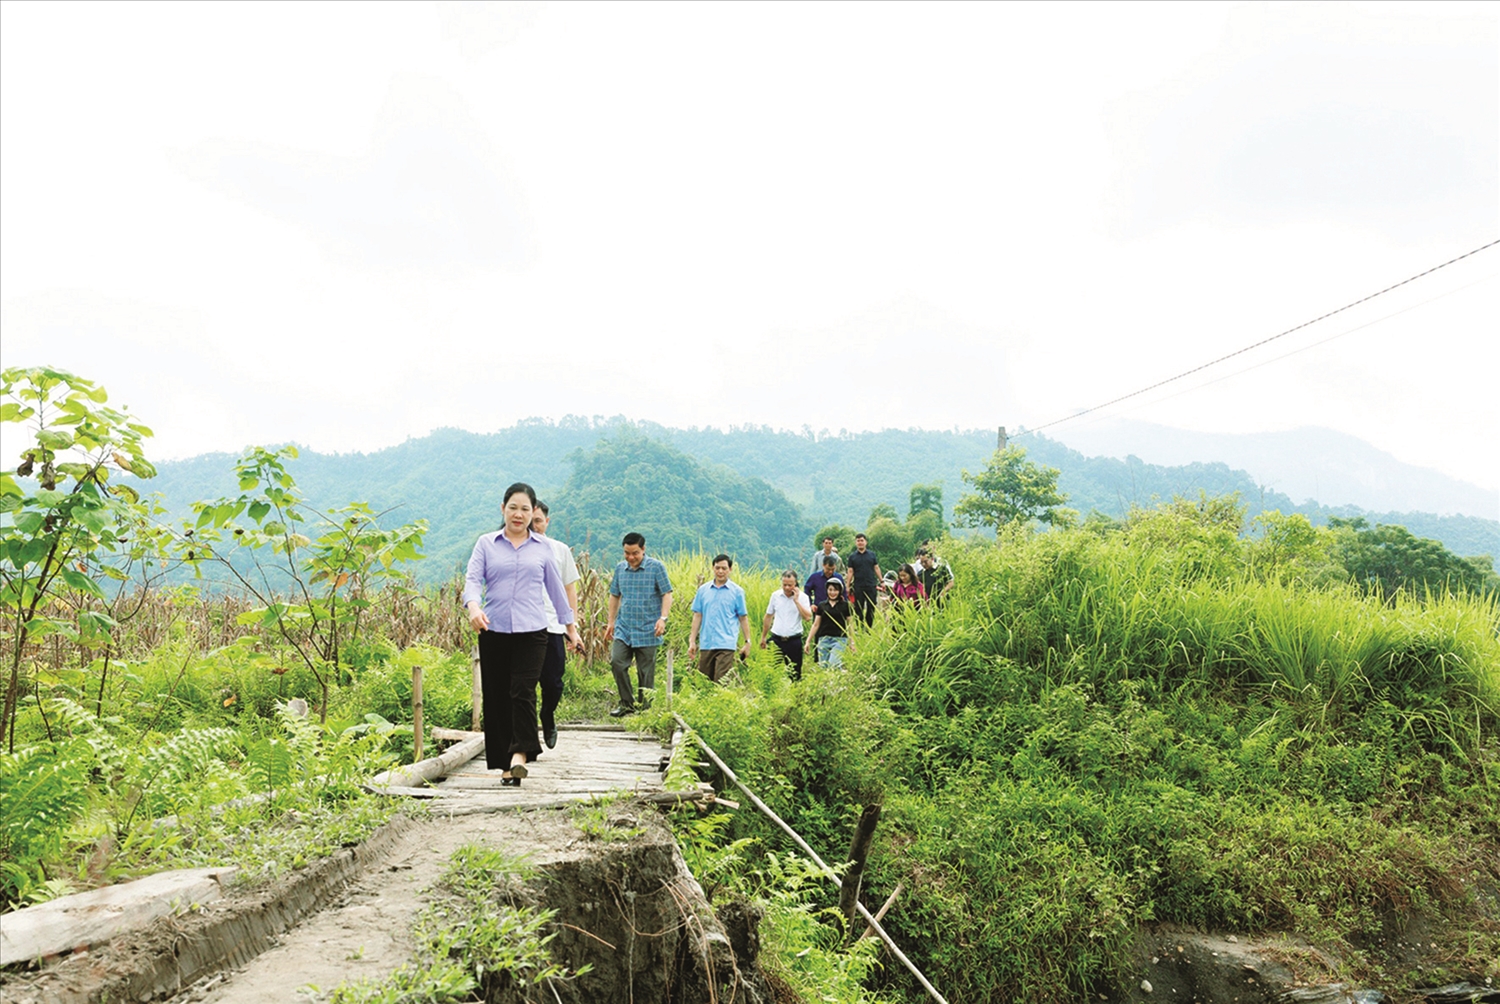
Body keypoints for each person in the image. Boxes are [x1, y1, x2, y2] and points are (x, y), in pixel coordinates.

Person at [463, 483, 580, 786]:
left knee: (523, 691)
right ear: (503, 509)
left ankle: (520, 754)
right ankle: (505, 765)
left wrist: (570, 628)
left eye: (525, 509)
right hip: (493, 629)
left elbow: (557, 591)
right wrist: (474, 607)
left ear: (533, 513)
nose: (519, 514)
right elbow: (473, 580)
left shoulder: (542, 548)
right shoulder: (486, 544)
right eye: (513, 507)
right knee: (498, 695)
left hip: (533, 631)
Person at [530, 502, 581, 751]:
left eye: (538, 521)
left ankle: (548, 714)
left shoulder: (560, 550)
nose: (534, 526)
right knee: (524, 685)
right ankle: (527, 740)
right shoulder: (516, 550)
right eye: (531, 521)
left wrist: (572, 628)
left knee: (553, 682)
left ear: (547, 522)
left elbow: (570, 590)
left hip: (553, 626)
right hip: (524, 627)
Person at [607, 532, 674, 716]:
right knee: (617, 662)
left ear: (643, 549)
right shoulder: (621, 569)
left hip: (648, 628)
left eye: (635, 553)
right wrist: (610, 622)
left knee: (646, 672)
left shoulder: (656, 568)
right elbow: (614, 595)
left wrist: (663, 618)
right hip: (624, 627)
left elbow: (667, 594)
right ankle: (626, 703)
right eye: (627, 553)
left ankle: (645, 710)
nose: (631, 557)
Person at [688, 554, 751, 683]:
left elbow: (743, 618)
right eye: (717, 568)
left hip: (726, 643)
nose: (720, 571)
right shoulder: (703, 590)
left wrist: (747, 642)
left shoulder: (737, 592)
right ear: (713, 568)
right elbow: (697, 615)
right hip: (707, 642)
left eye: (724, 568)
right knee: (704, 682)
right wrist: (692, 641)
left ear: (730, 569)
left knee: (721, 682)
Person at [760, 569, 812, 679]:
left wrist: (796, 601)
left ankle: (795, 695)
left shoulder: (803, 597)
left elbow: (807, 617)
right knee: (770, 673)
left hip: (794, 640)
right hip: (776, 640)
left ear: (796, 584)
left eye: (790, 585)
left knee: (794, 674)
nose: (787, 588)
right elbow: (768, 616)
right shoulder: (775, 596)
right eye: (784, 585)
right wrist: (763, 637)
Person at [808, 578, 853, 667]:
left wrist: (852, 642)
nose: (832, 593)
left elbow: (850, 625)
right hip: (823, 639)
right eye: (830, 590)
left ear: (840, 591)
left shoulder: (845, 606)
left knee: (834, 664)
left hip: (840, 639)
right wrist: (808, 641)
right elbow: (816, 624)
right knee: (823, 666)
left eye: (835, 590)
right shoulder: (822, 605)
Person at [845, 533, 882, 627]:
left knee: (871, 606)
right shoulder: (852, 557)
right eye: (858, 541)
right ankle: (860, 626)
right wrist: (847, 586)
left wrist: (882, 581)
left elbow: (876, 568)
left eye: (862, 540)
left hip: (871, 584)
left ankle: (869, 627)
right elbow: (850, 572)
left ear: (866, 542)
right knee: (858, 607)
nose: (860, 542)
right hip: (858, 585)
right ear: (855, 543)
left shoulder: (872, 555)